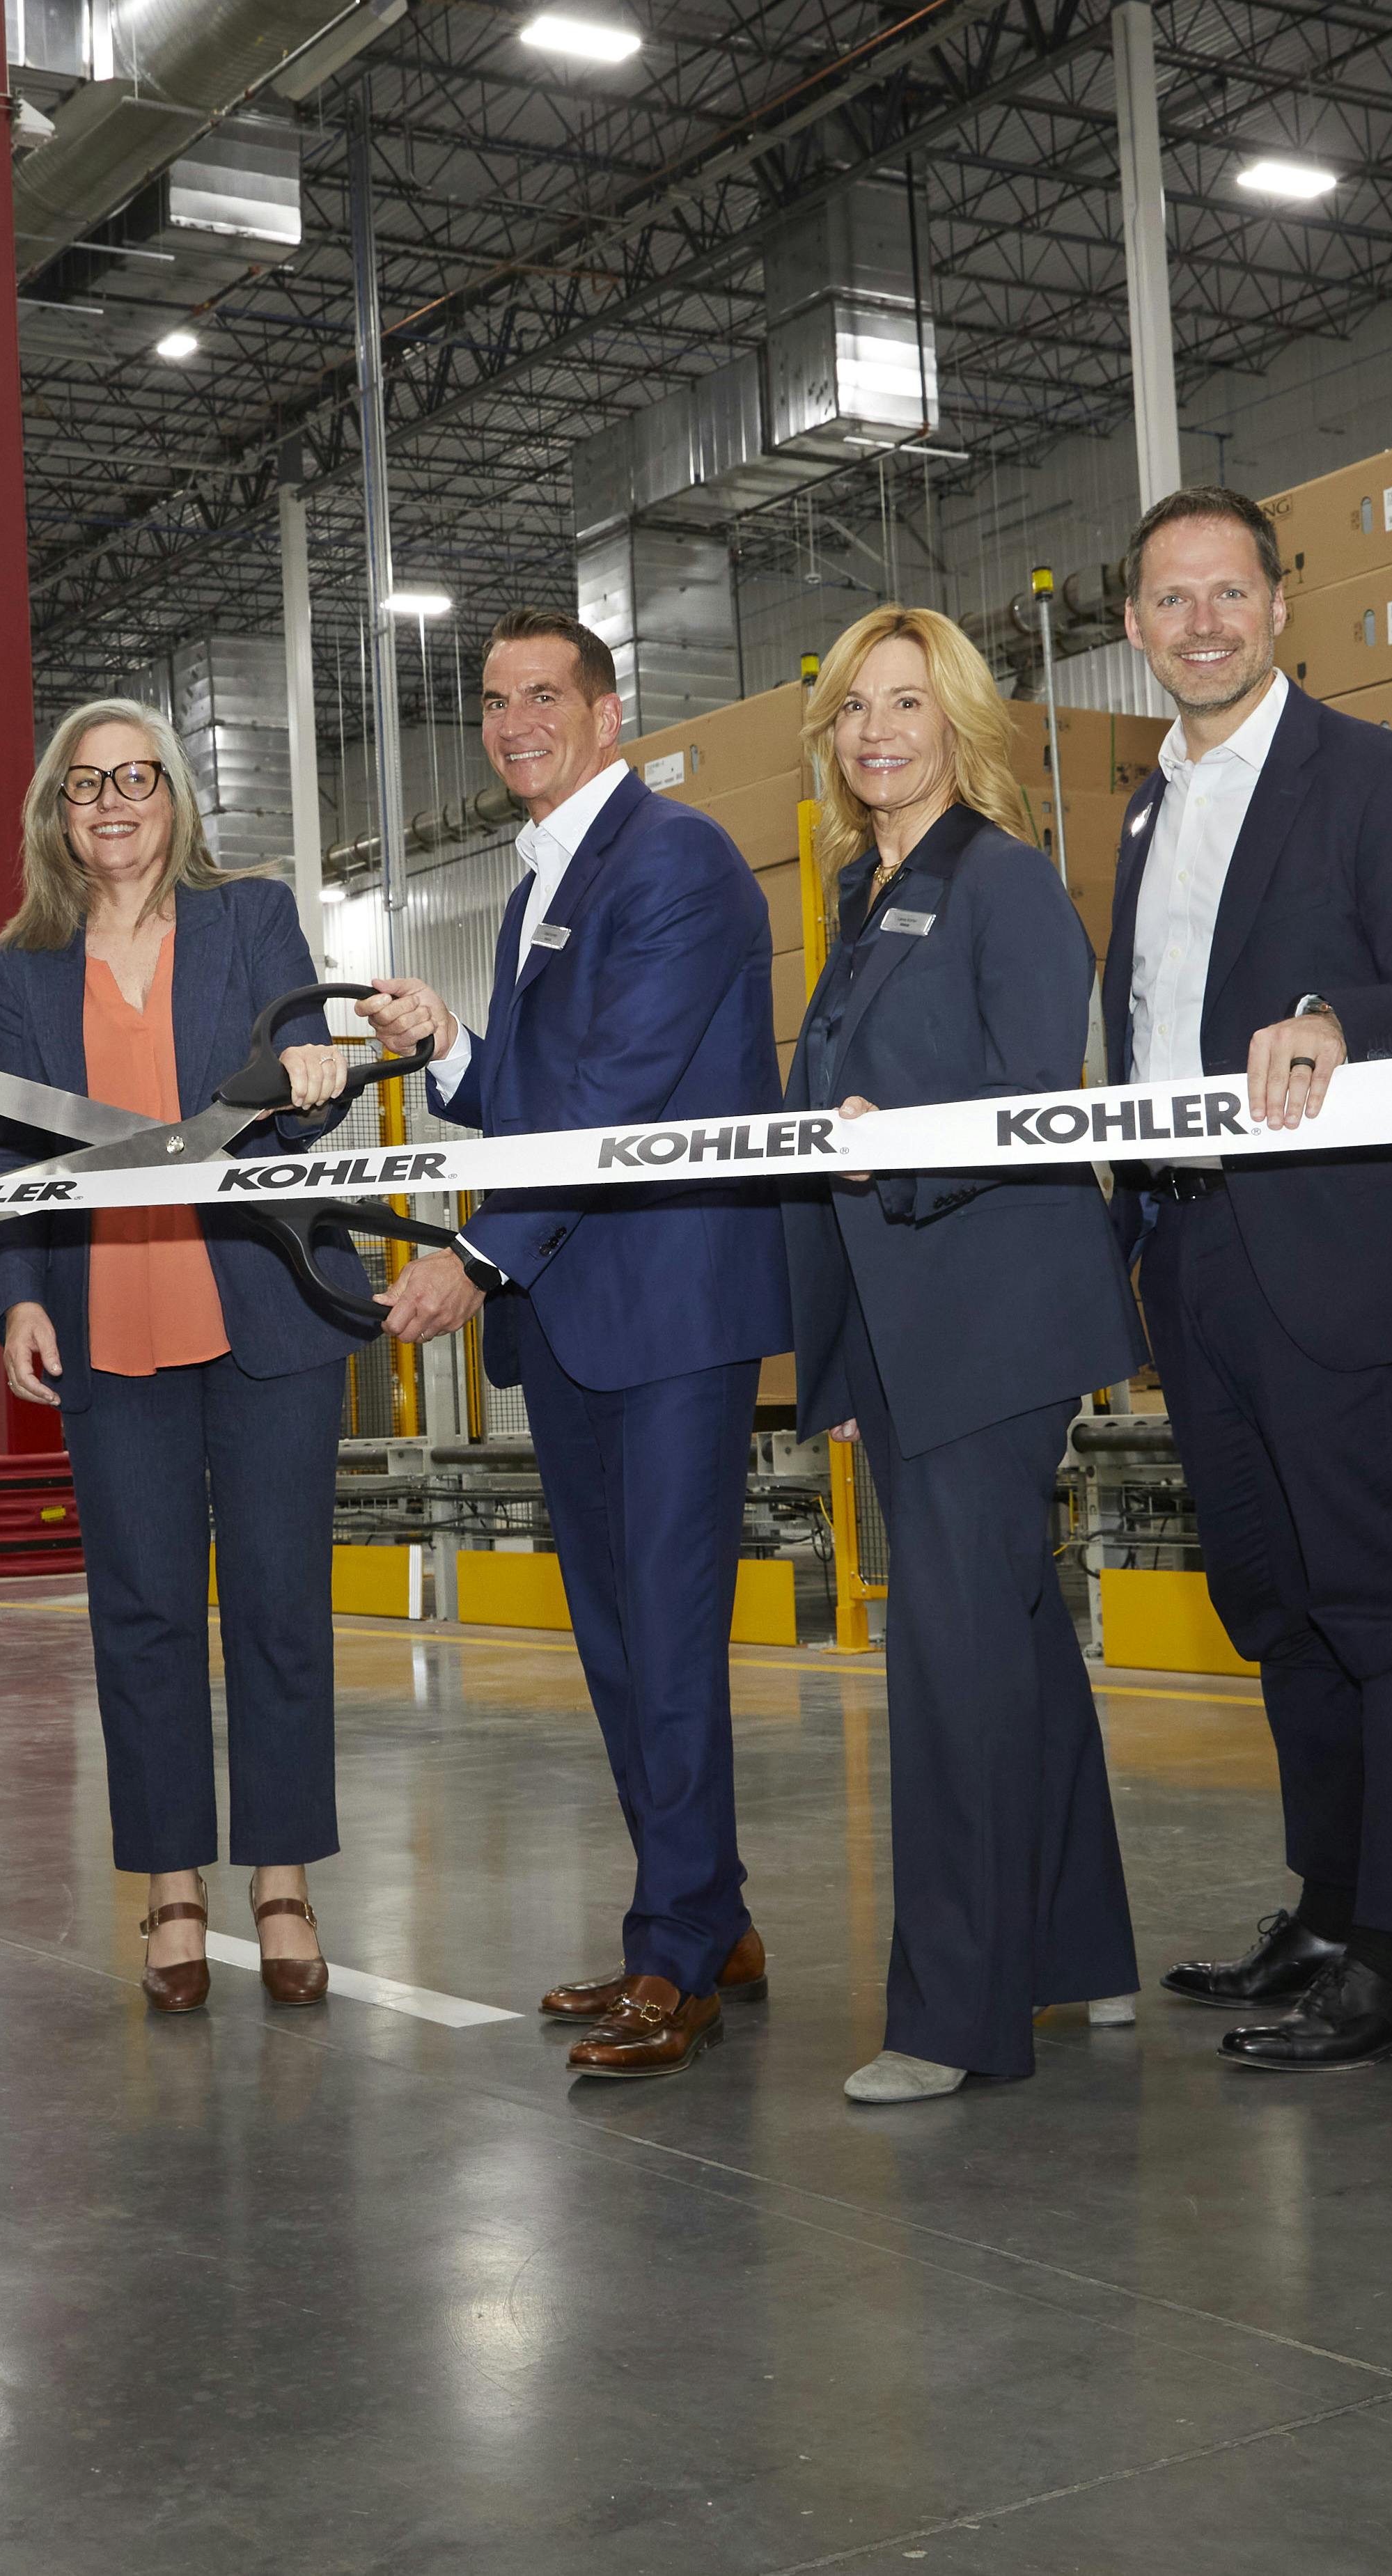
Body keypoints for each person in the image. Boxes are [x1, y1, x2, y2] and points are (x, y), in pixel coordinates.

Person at [1106, 487, 1392, 2075]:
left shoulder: (1370, 777)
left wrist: (1341, 1015)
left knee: (1380, 1601)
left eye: (1227, 592)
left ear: (1278, 604)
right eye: (1168, 600)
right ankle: (1330, 1904)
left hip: (1329, 1244)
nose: (1199, 622)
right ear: (1132, 628)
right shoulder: (1146, 807)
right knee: (1272, 1604)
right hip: (1192, 1244)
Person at [356, 611, 786, 2081]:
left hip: (665, 1311)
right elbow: (544, 1090)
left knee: (663, 1636)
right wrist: (452, 1052)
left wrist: (473, 1260)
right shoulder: (542, 875)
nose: (515, 719)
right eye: (493, 700)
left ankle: (675, 1953)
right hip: (587, 1313)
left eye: (545, 694)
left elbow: (614, 1097)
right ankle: (703, 1913)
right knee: (618, 1641)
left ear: (609, 713)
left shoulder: (671, 861)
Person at [776, 606, 1146, 2107]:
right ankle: (1077, 1949)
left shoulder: (999, 882)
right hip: (910, 1321)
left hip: (989, 1318)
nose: (877, 729)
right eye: (855, 705)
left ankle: (952, 2014)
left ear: (960, 722)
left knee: (952, 1673)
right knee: (1013, 1649)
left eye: (907, 703)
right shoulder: (867, 891)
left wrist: (894, 1154)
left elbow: (1022, 1099)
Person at [0, 697, 361, 2015]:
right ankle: (172, 1886)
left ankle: (284, 1878)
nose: (114, 801)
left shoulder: (251, 917)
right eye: (87, 785)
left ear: (174, 797)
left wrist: (321, 1069)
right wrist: (20, 1294)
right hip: (110, 1316)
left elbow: (305, 1088)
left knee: (276, 1606)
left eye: (137, 777)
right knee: (139, 1613)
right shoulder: (24, 967)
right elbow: (13, 1154)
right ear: (60, 816)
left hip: (268, 1307)